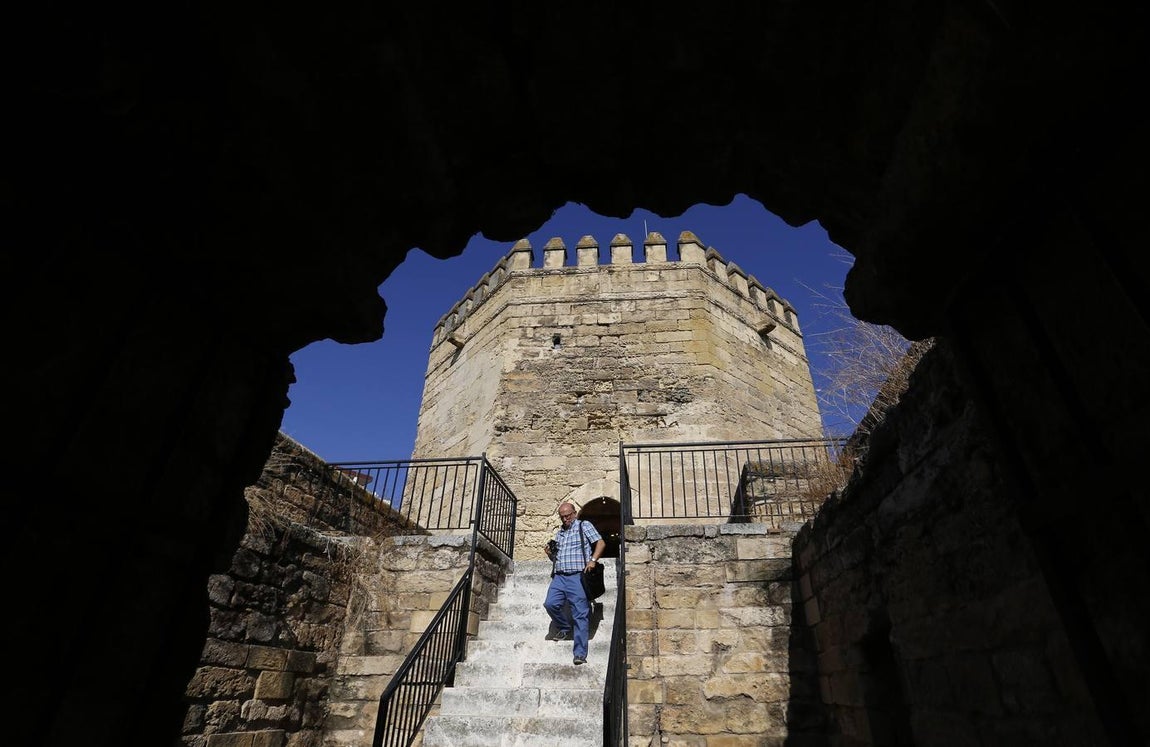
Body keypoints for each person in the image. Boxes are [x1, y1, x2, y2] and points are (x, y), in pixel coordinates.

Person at [542, 501, 606, 665]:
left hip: (577, 576)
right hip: (559, 577)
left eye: (568, 515)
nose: (565, 519)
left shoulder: (583, 526)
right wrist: (550, 554)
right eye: (562, 517)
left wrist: (593, 560)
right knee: (550, 604)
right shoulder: (559, 534)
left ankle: (580, 654)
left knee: (580, 614)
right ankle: (564, 627)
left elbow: (600, 543)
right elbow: (556, 558)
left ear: (574, 513)